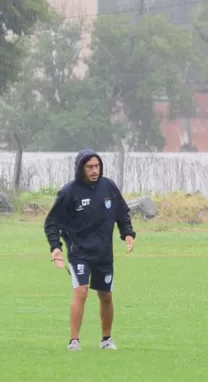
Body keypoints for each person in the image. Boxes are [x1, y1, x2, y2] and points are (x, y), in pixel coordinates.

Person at [44, 149, 136, 352]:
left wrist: (127, 233)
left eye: (97, 166)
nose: (95, 170)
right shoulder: (69, 192)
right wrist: (56, 247)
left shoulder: (109, 187)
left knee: (106, 296)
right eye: (90, 167)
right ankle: (74, 341)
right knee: (81, 291)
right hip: (79, 252)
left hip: (103, 253)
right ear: (81, 169)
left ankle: (106, 339)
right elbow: (51, 222)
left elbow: (122, 212)